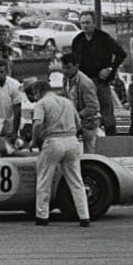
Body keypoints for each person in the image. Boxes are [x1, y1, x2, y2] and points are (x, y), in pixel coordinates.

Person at [29, 79, 89, 227]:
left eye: (34, 93)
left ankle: (42, 216)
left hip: (53, 141)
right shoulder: (67, 102)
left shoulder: (42, 103)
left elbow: (37, 123)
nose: (34, 97)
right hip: (72, 141)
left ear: (38, 91)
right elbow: (79, 124)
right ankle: (84, 216)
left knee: (44, 180)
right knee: (76, 181)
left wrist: (34, 140)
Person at [70, 11, 127, 135]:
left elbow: (121, 54)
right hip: (84, 82)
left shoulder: (104, 38)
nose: (85, 25)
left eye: (88, 22)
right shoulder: (78, 40)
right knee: (84, 111)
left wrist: (110, 69)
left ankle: (112, 140)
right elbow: (73, 61)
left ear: (94, 23)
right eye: (82, 23)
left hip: (100, 81)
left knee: (107, 113)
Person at [60, 52, 100, 152]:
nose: (65, 71)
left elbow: (93, 107)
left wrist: (76, 115)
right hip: (75, 121)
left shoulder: (85, 83)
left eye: (68, 67)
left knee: (89, 151)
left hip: (89, 122)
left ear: (76, 66)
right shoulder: (66, 79)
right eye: (63, 68)